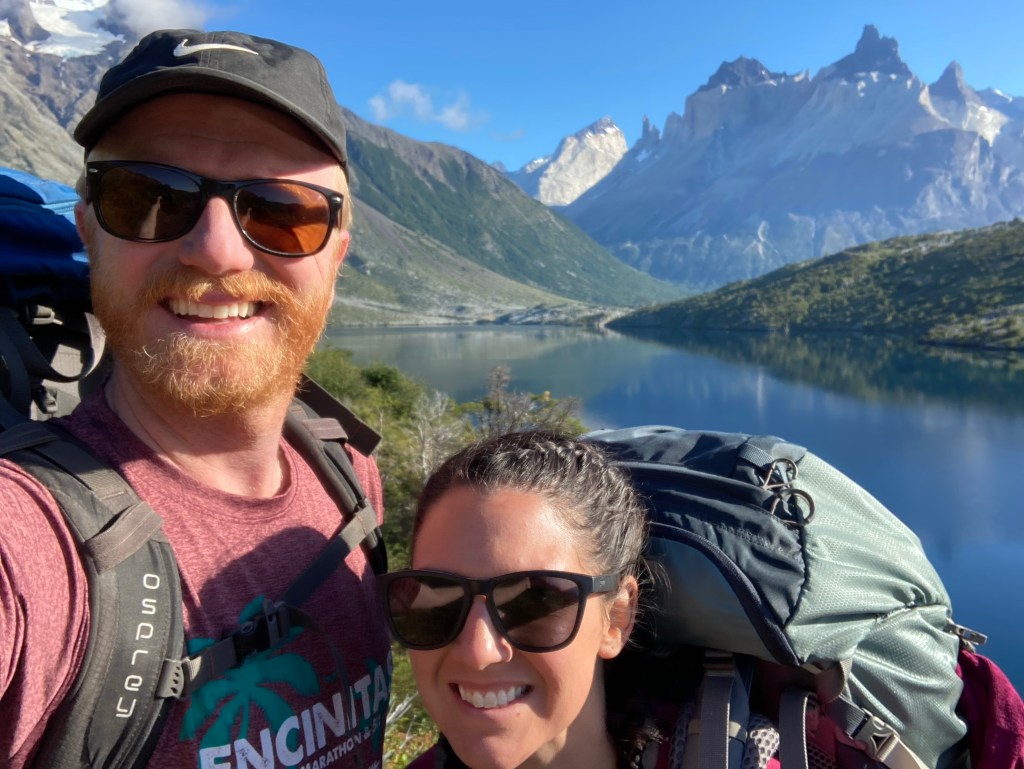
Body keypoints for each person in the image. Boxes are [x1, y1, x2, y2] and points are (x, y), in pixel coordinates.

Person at [0, 29, 390, 769]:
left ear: (337, 252)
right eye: (148, 197)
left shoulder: (348, 476)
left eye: (281, 210)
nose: (216, 250)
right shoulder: (35, 545)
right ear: (89, 229)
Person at [379, 430, 667, 769]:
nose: (478, 653)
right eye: (440, 605)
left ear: (617, 618)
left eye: (534, 604)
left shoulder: (714, 750)